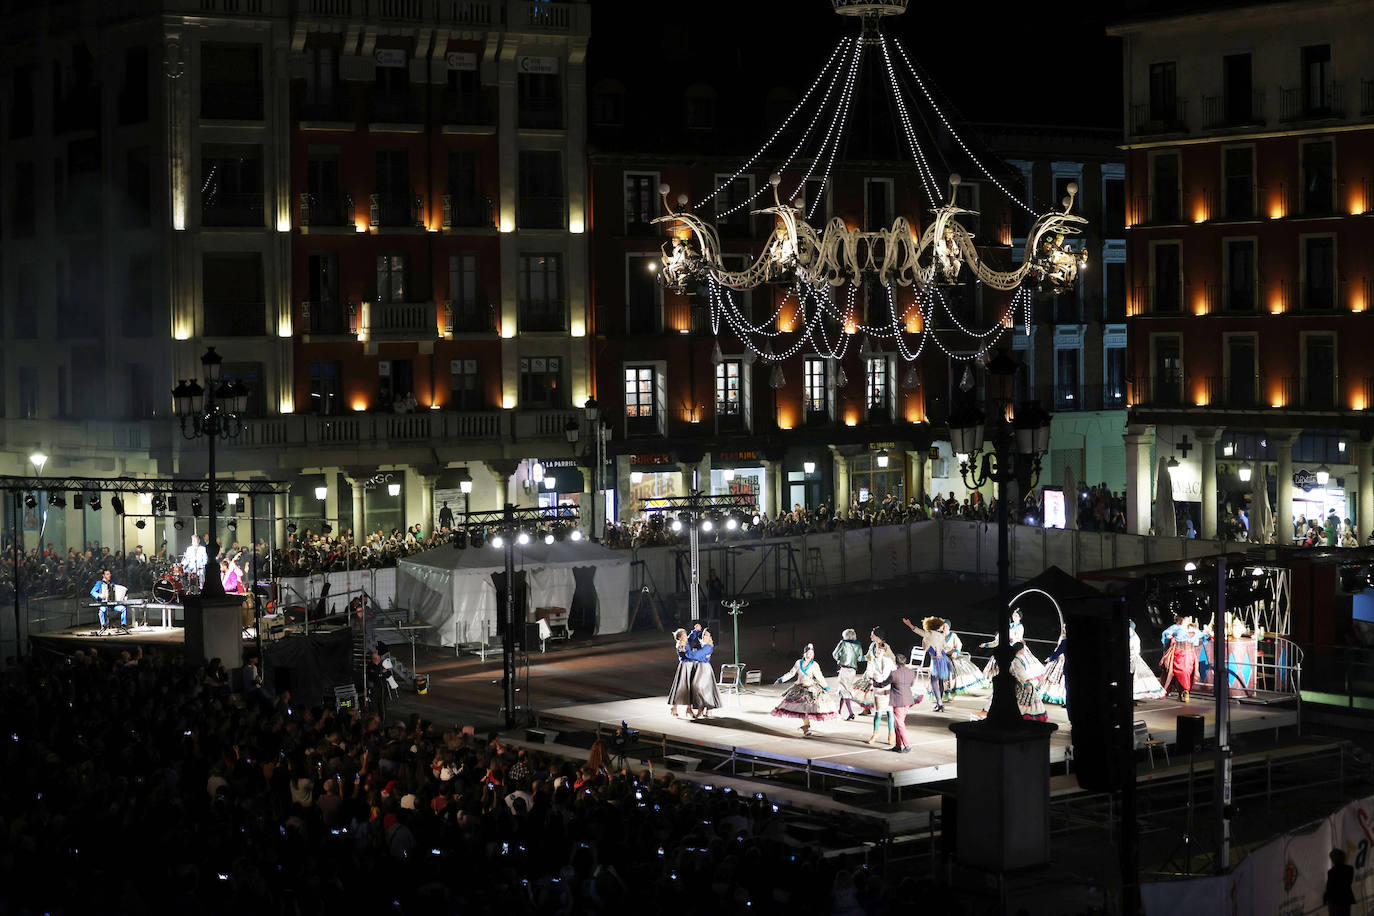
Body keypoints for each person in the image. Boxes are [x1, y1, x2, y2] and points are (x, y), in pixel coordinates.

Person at [772, 644, 839, 735]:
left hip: (810, 688)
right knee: (802, 708)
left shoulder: (815, 665)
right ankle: (806, 727)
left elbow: (819, 677)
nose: (809, 655)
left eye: (811, 653)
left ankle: (806, 726)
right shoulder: (798, 662)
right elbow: (791, 673)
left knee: (809, 707)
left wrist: (826, 687)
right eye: (807, 653)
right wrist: (780, 680)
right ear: (804, 654)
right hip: (799, 688)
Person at [901, 616, 953, 712]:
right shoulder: (941, 635)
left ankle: (939, 703)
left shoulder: (928, 634)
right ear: (937, 626)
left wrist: (909, 625)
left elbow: (918, 631)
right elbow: (945, 647)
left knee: (933, 682)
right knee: (940, 681)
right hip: (943, 659)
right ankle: (939, 702)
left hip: (935, 660)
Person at [873, 653, 920, 753]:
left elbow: (883, 684)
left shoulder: (894, 674)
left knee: (899, 724)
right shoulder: (911, 672)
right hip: (907, 700)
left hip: (898, 701)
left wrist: (873, 682)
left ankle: (907, 745)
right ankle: (898, 745)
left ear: (896, 663)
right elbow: (911, 684)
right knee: (898, 723)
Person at [1160, 614, 1206, 702]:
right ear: (1181, 619)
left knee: (1188, 672)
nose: (1188, 620)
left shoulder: (1193, 629)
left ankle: (1185, 690)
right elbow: (1166, 633)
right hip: (1179, 653)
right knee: (1179, 673)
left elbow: (1202, 635)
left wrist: (1208, 633)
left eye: (1188, 618)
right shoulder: (1176, 627)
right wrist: (1169, 636)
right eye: (1186, 618)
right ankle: (1182, 692)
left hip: (1190, 654)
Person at [863, 629, 897, 747]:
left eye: (873, 635)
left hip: (887, 686)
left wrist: (888, 681)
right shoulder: (872, 647)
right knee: (878, 712)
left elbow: (894, 667)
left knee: (890, 712)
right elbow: (868, 658)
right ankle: (875, 734)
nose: (871, 637)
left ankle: (891, 735)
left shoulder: (887, 654)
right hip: (877, 687)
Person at [942, 621, 989, 696]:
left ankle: (952, 690)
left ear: (949, 627)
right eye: (943, 626)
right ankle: (944, 690)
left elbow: (959, 644)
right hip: (943, 657)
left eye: (946, 626)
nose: (944, 628)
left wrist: (956, 652)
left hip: (952, 656)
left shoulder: (953, 635)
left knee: (959, 670)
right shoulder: (940, 636)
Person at [684, 628, 721, 719]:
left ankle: (708, 707)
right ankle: (701, 708)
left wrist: (687, 652)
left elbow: (695, 655)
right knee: (699, 687)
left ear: (710, 637)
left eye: (706, 635)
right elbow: (697, 654)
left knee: (702, 687)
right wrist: (696, 631)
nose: (704, 636)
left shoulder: (708, 647)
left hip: (705, 668)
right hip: (699, 667)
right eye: (703, 634)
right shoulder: (702, 645)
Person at [831, 628, 866, 720]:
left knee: (844, 691)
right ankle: (838, 711)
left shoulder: (842, 643)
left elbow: (834, 654)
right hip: (853, 670)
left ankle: (851, 713)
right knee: (844, 690)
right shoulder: (858, 645)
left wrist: (839, 659)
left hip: (844, 669)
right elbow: (859, 659)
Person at [1129, 620, 1166, 700]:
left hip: (1133, 657)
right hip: (1133, 656)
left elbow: (1134, 648)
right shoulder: (1134, 635)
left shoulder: (1132, 634)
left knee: (1136, 676)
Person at [666, 629, 693, 717]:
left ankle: (689, 708)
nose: (686, 636)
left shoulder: (686, 643)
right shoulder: (681, 644)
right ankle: (675, 707)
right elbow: (687, 654)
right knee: (681, 687)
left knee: (690, 687)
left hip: (689, 665)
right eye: (685, 635)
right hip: (685, 666)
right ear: (680, 637)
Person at [1039, 627, 1068, 707]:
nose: (1064, 629)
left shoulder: (1065, 640)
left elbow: (1060, 650)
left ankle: (1064, 699)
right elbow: (1058, 649)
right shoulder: (1063, 637)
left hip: (1064, 660)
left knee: (1062, 681)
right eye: (1064, 627)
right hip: (1059, 659)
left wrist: (1054, 657)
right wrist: (1052, 658)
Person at [1325, 847, 1355, 916]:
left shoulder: (1331, 872)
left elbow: (1329, 887)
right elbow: (1349, 882)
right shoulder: (1350, 869)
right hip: (1346, 898)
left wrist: (1326, 898)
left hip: (1334, 901)